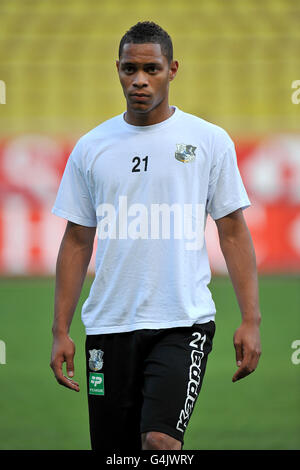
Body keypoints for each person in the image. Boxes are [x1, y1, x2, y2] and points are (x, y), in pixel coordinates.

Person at [50, 21, 261, 451]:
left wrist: (251, 320)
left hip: (183, 322)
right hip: (108, 326)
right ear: (118, 70)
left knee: (160, 442)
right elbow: (76, 241)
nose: (140, 80)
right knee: (116, 452)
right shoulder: (92, 147)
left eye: (152, 68)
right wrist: (60, 330)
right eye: (129, 69)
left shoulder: (208, 141)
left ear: (173, 69)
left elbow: (233, 232)